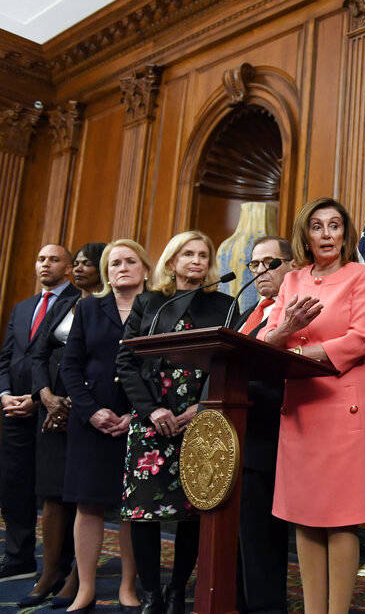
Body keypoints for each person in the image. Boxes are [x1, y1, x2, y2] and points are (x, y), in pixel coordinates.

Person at [259, 197, 365, 614]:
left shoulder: (363, 275)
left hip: (343, 402)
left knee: (340, 515)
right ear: (305, 235)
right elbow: (266, 339)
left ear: (345, 233)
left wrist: (296, 352)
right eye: (317, 226)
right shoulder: (291, 282)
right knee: (304, 513)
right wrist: (288, 330)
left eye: (334, 225)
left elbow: (358, 340)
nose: (326, 234)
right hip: (301, 407)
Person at [116, 231, 235, 614]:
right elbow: (126, 362)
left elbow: (230, 364)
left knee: (194, 508)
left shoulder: (225, 304)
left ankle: (177, 590)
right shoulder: (149, 302)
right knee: (145, 510)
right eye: (188, 254)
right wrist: (152, 410)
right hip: (152, 416)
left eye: (203, 254)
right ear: (171, 261)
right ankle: (151, 592)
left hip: (199, 417)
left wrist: (200, 409)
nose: (196, 261)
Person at [62, 240, 150, 612]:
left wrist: (137, 413)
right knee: (89, 505)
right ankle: (85, 587)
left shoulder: (156, 309)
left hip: (138, 419)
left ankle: (128, 586)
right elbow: (70, 366)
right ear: (105, 271)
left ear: (145, 268)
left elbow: (159, 367)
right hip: (92, 420)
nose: (122, 268)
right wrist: (91, 411)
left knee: (132, 507)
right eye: (114, 263)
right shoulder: (88, 308)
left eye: (130, 261)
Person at [22, 243, 105, 608]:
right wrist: (45, 395)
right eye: (80, 263)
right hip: (52, 406)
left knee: (84, 494)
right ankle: (50, 571)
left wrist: (75, 402)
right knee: (53, 492)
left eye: (89, 263)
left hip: (88, 406)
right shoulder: (65, 303)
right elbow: (38, 353)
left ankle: (77, 576)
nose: (82, 268)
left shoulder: (110, 306)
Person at [0, 244, 78, 582]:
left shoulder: (80, 302)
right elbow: (6, 359)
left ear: (70, 267)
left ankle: (57, 565)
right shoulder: (22, 308)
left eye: (54, 259)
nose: (45, 264)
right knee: (13, 482)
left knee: (52, 491)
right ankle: (18, 557)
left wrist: (36, 397)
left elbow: (65, 360)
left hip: (53, 407)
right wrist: (4, 395)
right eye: (40, 258)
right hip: (13, 409)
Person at [235, 236, 296, 614]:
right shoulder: (245, 314)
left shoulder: (297, 311)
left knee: (263, 538)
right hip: (236, 436)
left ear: (291, 264)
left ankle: (266, 607)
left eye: (270, 263)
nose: (260, 272)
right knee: (238, 538)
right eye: (254, 265)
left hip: (273, 436)